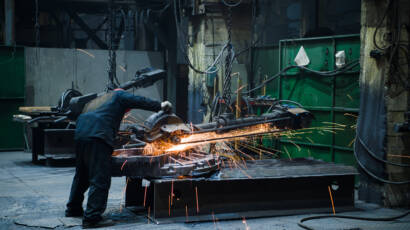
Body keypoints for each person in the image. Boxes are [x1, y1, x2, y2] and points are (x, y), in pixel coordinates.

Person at [65, 89, 172, 228]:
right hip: (98, 137)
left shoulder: (97, 100)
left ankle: (73, 209)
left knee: (82, 175)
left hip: (81, 135)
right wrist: (161, 105)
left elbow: (102, 118)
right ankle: (92, 217)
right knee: (100, 178)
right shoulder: (119, 95)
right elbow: (139, 101)